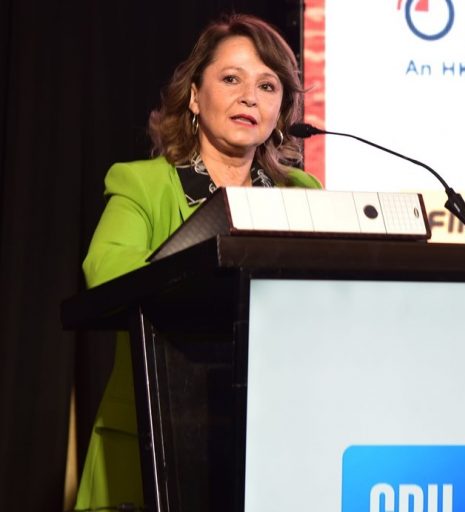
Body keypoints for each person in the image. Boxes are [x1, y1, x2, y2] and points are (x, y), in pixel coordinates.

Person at [75, 13, 321, 509]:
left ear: (280, 109)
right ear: (193, 96)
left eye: (267, 86)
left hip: (270, 437)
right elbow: (103, 271)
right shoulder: (143, 183)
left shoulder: (302, 192)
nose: (249, 97)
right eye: (231, 79)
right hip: (156, 435)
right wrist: (208, 265)